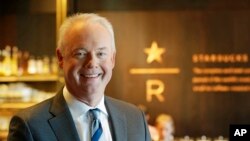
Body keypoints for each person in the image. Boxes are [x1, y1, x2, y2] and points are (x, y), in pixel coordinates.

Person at [7, 13, 151, 141]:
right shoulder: (30, 125)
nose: (92, 63)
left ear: (112, 59)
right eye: (80, 54)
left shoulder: (135, 118)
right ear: (60, 58)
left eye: (101, 54)